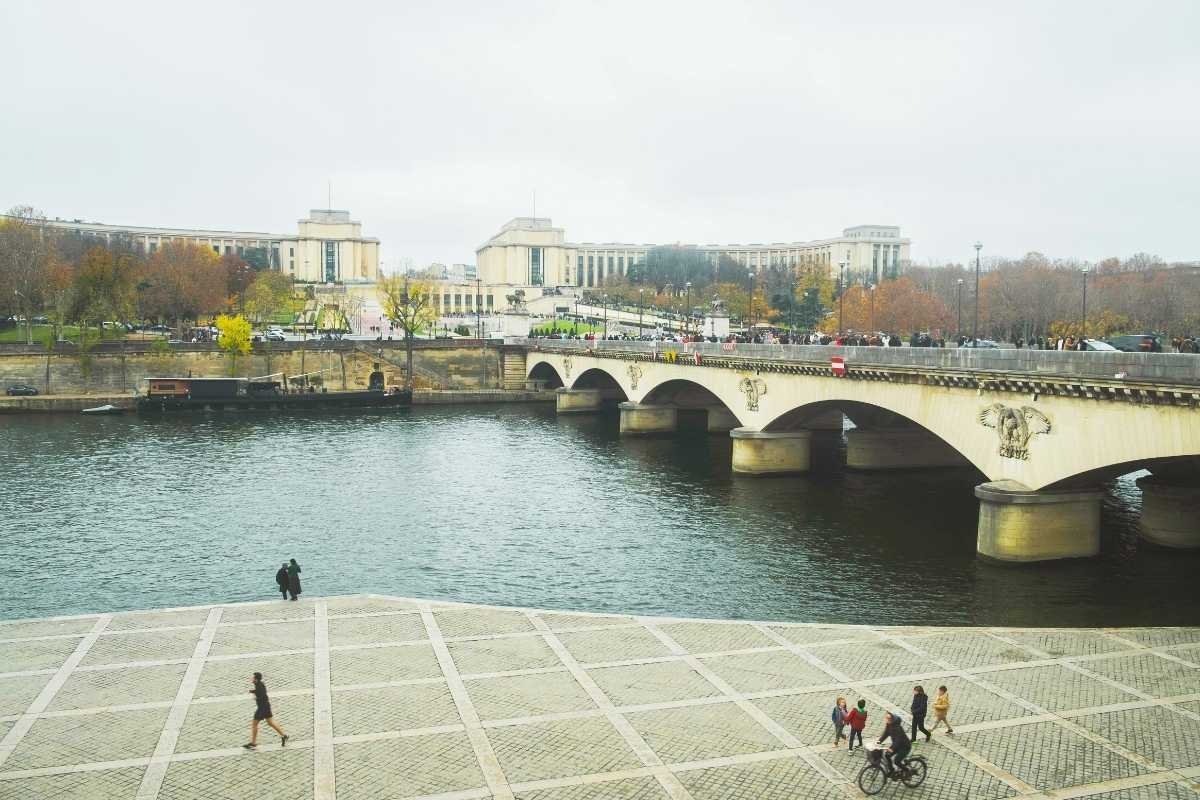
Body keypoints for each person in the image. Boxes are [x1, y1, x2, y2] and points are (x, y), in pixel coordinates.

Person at [243, 672, 288, 750]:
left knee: (254, 724)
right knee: (270, 722)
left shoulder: (259, 686)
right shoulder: (259, 684)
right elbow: (261, 692)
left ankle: (253, 743)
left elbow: (262, 695)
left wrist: (256, 697)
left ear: (256, 679)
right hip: (266, 706)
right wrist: (253, 691)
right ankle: (284, 736)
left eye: (253, 678)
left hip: (262, 708)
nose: (251, 679)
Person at [877, 711, 912, 775]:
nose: (886, 719)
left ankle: (907, 770)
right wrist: (878, 742)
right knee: (887, 755)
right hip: (897, 745)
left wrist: (892, 748)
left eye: (888, 718)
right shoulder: (889, 725)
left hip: (904, 747)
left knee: (896, 761)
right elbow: (885, 734)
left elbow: (897, 741)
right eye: (886, 718)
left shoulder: (897, 728)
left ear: (892, 720)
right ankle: (892, 770)